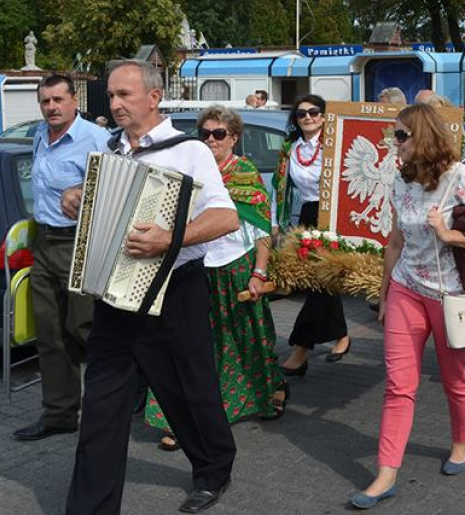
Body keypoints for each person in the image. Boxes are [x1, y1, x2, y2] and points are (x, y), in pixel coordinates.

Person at [64, 60, 239, 515]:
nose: (115, 104)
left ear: (154, 97)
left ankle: (214, 468)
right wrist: (76, 196)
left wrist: (170, 238)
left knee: (188, 390)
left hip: (176, 289)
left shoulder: (190, 151)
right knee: (101, 406)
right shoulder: (111, 150)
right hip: (115, 294)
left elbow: (226, 217)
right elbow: (100, 206)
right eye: (112, 96)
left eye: (124, 95)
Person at [350, 104, 465, 510]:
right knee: (399, 385)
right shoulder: (400, 181)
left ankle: (461, 442)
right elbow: (396, 243)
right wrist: (384, 294)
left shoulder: (462, 178)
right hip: (406, 289)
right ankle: (385, 474)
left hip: (452, 296)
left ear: (424, 136)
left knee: (456, 378)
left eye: (400, 136)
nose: (393, 143)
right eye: (393, 136)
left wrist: (449, 234)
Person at [145, 105, 289, 451]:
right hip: (193, 266)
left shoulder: (245, 172)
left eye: (219, 133)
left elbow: (261, 228)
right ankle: (178, 419)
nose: (211, 139)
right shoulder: (188, 169)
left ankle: (267, 391)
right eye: (206, 133)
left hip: (235, 265)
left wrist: (259, 271)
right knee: (191, 345)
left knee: (245, 337)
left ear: (234, 138)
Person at [12, 74, 110, 443]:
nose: (51, 107)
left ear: (73, 101)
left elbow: (116, 187)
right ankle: (59, 414)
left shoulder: (96, 139)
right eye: (45, 101)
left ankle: (119, 401)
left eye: (57, 100)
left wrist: (82, 190)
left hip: (80, 243)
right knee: (50, 335)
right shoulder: (40, 134)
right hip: (45, 242)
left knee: (87, 329)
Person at [275, 95, 351, 375]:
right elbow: (282, 189)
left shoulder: (334, 144)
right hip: (307, 215)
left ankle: (301, 348)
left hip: (331, 214)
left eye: (314, 112)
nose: (308, 117)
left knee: (321, 282)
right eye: (301, 113)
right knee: (320, 281)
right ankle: (342, 334)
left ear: (324, 115)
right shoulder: (290, 149)